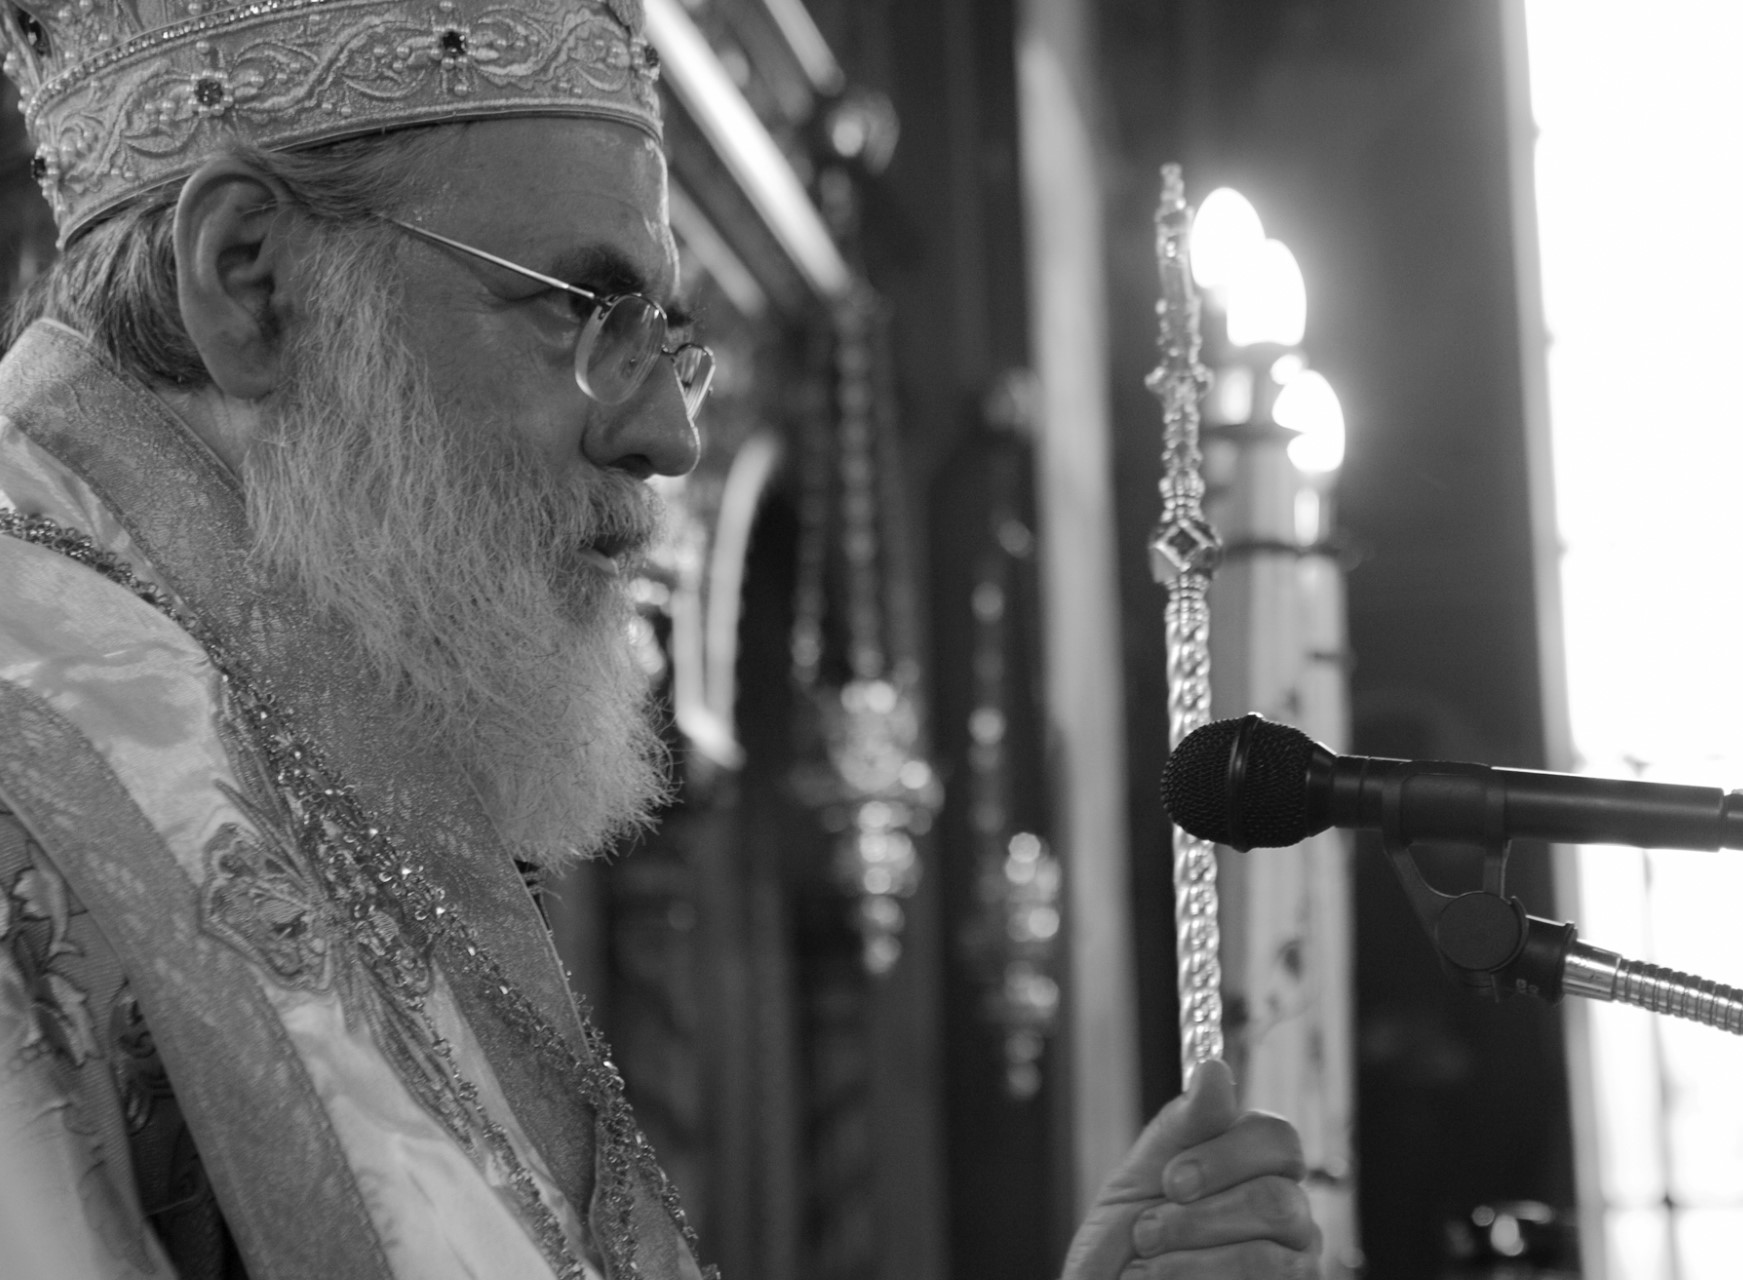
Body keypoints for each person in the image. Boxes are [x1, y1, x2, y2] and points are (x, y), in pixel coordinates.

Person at [0, 1, 1320, 1276]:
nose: (670, 439)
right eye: (582, 308)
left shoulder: (302, 719)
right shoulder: (35, 791)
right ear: (250, 281)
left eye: (667, 341)